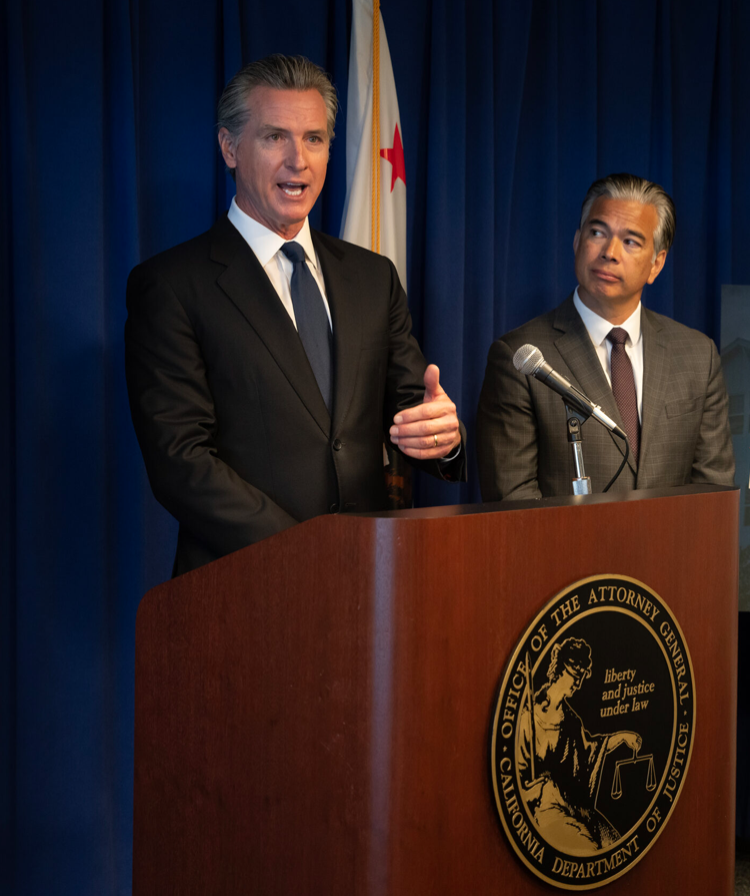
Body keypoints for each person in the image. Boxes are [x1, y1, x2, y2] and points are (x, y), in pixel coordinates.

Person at [125, 55, 465, 576]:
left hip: (372, 580)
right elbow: (181, 461)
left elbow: (411, 410)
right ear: (229, 148)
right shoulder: (171, 285)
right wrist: (307, 552)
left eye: (314, 139)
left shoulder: (372, 277)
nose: (298, 161)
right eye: (274, 137)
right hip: (244, 584)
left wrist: (440, 437)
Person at [476, 173, 734, 501]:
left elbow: (713, 496)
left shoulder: (699, 355)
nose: (610, 252)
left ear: (656, 264)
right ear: (576, 241)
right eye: (597, 233)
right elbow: (514, 505)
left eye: (630, 241)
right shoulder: (520, 357)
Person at [518, 638, 641, 854]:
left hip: (574, 806)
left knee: (616, 844)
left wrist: (620, 737)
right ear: (560, 669)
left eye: (582, 676)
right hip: (546, 811)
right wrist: (534, 791)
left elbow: (591, 749)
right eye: (575, 674)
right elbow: (515, 781)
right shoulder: (528, 718)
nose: (579, 682)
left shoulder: (571, 721)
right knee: (589, 848)